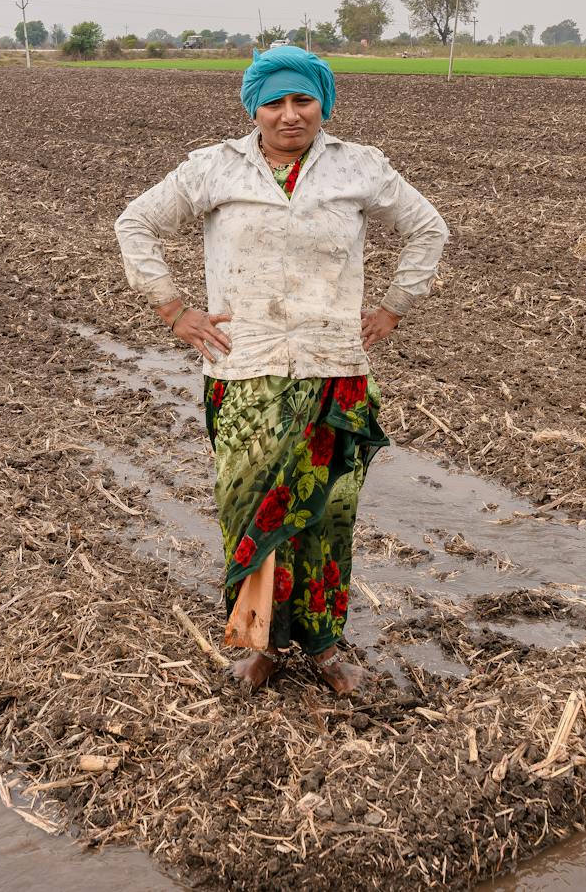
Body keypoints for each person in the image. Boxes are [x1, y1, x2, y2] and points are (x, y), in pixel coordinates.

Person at [114, 46, 449, 693]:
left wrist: (393, 308)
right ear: (254, 108)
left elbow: (427, 229)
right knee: (251, 510)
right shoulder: (215, 168)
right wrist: (174, 309)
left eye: (303, 100)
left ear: (322, 102)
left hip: (333, 373)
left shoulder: (357, 167)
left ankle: (324, 648)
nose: (289, 115)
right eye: (274, 102)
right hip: (247, 371)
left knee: (327, 514)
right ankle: (259, 645)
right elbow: (136, 224)